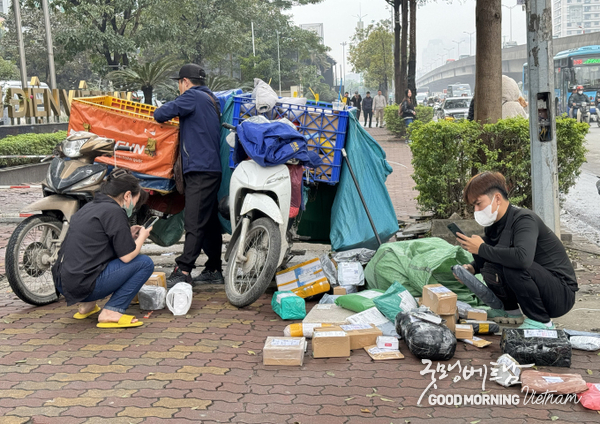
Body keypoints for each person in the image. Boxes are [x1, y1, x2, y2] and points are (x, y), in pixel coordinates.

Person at [455, 171, 578, 329]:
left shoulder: (524, 220)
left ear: (497, 198)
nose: (476, 210)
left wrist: (482, 249)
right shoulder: (493, 225)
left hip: (560, 294)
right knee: (485, 250)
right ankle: (509, 310)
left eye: (478, 203)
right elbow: (494, 255)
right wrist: (472, 267)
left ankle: (541, 321)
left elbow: (522, 258)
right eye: (474, 206)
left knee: (508, 260)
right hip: (538, 283)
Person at [51, 170, 153, 328]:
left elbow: (98, 243)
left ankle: (87, 307)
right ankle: (112, 312)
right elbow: (127, 257)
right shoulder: (114, 212)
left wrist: (127, 234)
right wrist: (142, 237)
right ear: (127, 196)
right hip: (83, 285)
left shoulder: (89, 207)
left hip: (62, 282)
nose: (133, 206)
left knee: (103, 256)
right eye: (135, 201)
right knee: (144, 263)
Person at [154, 64, 224, 288]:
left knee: (193, 222)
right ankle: (213, 268)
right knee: (209, 221)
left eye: (179, 83)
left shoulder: (192, 97)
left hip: (200, 170)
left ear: (185, 82)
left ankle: (183, 269)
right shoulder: (211, 99)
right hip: (211, 169)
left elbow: (160, 114)